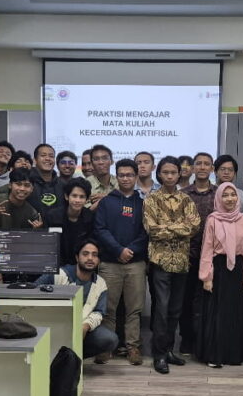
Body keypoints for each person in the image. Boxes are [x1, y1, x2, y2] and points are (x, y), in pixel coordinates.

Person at [143, 156, 201, 374]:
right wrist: (179, 228)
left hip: (182, 261)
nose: (169, 176)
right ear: (159, 174)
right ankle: (158, 354)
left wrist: (167, 227)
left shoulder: (186, 199)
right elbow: (152, 230)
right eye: (165, 172)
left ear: (179, 174)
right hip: (160, 261)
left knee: (175, 310)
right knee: (162, 309)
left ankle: (168, 350)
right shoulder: (151, 199)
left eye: (173, 172)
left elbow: (194, 226)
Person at [93, 159, 148, 365]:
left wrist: (130, 250)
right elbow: (100, 230)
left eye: (130, 175)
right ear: (117, 177)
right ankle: (106, 347)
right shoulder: (107, 202)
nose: (126, 178)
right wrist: (118, 250)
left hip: (135, 263)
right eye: (122, 175)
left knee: (134, 309)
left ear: (136, 177)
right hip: (110, 263)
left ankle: (133, 347)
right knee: (108, 308)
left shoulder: (143, 204)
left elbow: (146, 232)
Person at [199, 182, 243, 368]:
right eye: (225, 195)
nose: (230, 199)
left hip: (238, 269)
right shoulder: (213, 220)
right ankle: (215, 355)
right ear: (219, 198)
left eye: (233, 195)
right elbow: (207, 249)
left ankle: (233, 355)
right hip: (219, 269)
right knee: (217, 313)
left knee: (235, 313)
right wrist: (207, 277)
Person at [41, 241, 118, 361]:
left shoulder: (100, 283)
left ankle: (70, 360)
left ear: (98, 260)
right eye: (85, 254)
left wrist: (86, 326)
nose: (90, 258)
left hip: (81, 328)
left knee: (110, 339)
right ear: (77, 257)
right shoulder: (59, 274)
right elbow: (35, 288)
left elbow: (99, 312)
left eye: (94, 255)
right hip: (54, 325)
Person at [178, 152, 217, 354]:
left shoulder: (219, 194)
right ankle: (187, 339)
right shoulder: (183, 194)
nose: (202, 167)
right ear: (193, 168)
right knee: (186, 300)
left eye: (206, 164)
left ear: (212, 168)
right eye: (198, 164)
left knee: (209, 301)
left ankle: (206, 340)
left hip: (213, 258)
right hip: (188, 255)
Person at [43, 177, 95, 266]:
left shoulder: (90, 218)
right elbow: (48, 245)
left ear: (87, 199)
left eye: (82, 197)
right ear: (67, 196)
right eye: (74, 196)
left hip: (80, 265)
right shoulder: (52, 216)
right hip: (56, 264)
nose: (77, 200)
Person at [29, 143, 64, 218]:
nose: (48, 158)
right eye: (43, 155)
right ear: (35, 160)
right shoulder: (27, 183)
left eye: (51, 156)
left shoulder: (62, 185)